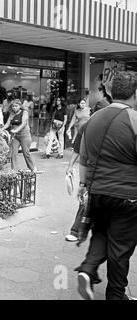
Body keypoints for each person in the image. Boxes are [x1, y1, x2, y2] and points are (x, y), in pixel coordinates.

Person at [75, 71, 137, 300]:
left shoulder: (92, 119)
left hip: (97, 192)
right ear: (136, 93)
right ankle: (116, 295)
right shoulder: (134, 119)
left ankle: (88, 270)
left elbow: (84, 156)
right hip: (127, 195)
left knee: (101, 232)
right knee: (120, 248)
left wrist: (82, 186)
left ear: (111, 92)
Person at [64, 122, 87, 242]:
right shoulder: (86, 127)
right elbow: (78, 150)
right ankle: (76, 230)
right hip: (94, 170)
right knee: (85, 199)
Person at [3, 99, 39, 173]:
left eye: (16, 106)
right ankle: (14, 170)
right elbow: (7, 124)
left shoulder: (24, 113)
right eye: (13, 106)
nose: (14, 108)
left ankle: (32, 168)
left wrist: (16, 130)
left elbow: (23, 124)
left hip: (24, 135)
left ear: (20, 106)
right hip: (16, 136)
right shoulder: (12, 114)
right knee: (13, 153)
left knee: (26, 153)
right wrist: (0, 129)